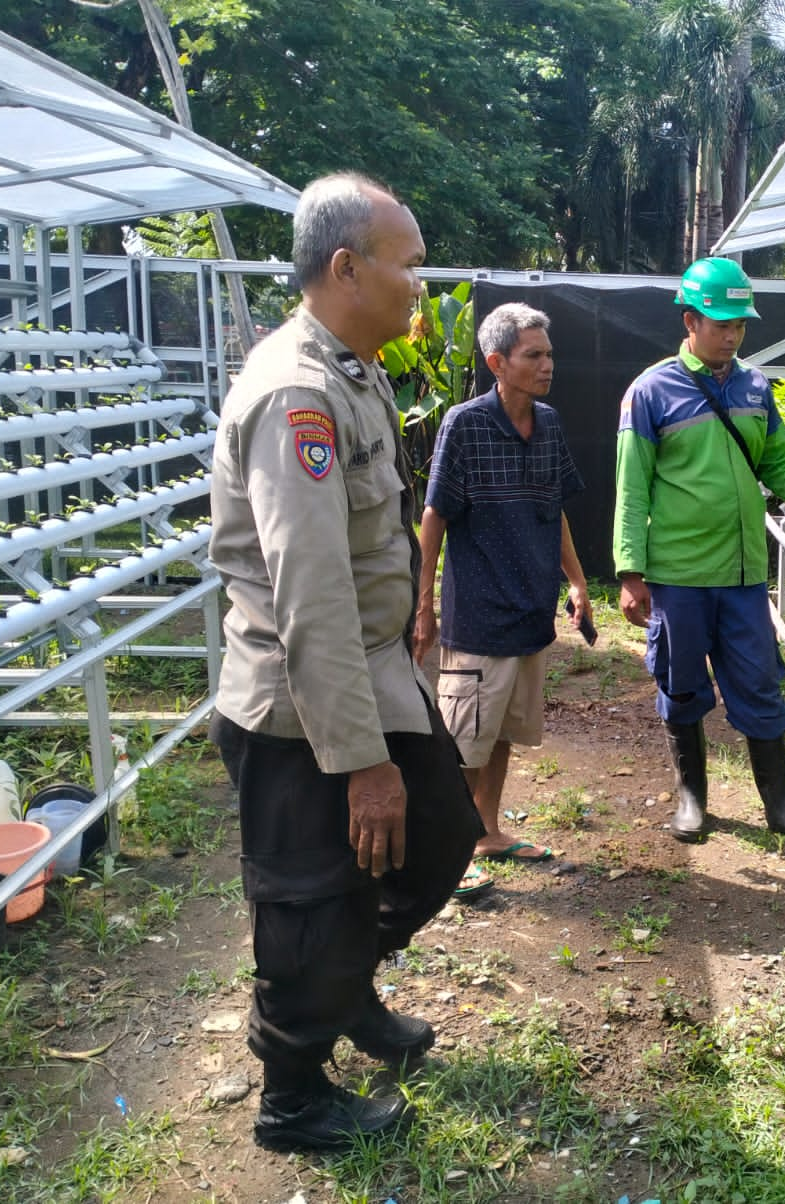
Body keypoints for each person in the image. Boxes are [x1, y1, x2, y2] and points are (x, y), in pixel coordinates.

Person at [208, 172, 483, 1153]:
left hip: (368, 670)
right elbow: (309, 595)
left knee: (441, 831)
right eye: (408, 265)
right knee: (309, 891)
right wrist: (363, 760)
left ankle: (346, 987)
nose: (419, 283)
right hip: (299, 699)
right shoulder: (298, 394)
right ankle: (293, 1092)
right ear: (345, 268)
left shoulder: (356, 369)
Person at [613, 257, 785, 847]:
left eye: (739, 325)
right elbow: (632, 487)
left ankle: (782, 807)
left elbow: (779, 464)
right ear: (690, 320)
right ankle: (691, 798)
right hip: (678, 573)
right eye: (720, 323)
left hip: (745, 571)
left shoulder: (755, 386)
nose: (731, 335)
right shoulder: (650, 392)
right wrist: (630, 572)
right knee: (681, 684)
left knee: (759, 683)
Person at [414, 303, 590, 869]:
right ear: (498, 362)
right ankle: (448, 854)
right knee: (463, 741)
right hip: (478, 616)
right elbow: (435, 517)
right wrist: (423, 606)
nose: (547, 366)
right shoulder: (464, 425)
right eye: (533, 355)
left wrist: (579, 582)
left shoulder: (550, 424)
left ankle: (487, 832)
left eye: (549, 354)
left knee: (501, 734)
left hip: (530, 615)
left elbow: (554, 508)